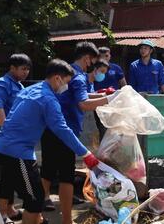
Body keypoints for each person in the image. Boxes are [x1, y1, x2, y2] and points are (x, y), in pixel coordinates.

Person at [0, 59, 100, 224]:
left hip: (9, 147)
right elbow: (62, 129)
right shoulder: (48, 99)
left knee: (31, 193)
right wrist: (85, 153)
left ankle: (37, 220)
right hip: (16, 152)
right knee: (35, 201)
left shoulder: (30, 90)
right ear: (57, 78)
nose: (66, 87)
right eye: (66, 82)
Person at [40, 42, 118, 224]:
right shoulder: (78, 76)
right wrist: (108, 99)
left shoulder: (71, 74)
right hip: (65, 131)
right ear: (87, 58)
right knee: (66, 176)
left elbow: (82, 97)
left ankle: (38, 212)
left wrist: (105, 95)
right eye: (92, 60)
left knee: (48, 171)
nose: (92, 64)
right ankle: (67, 220)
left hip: (51, 129)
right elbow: (83, 103)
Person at [0, 54, 31, 221]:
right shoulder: (1, 84)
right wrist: (10, 132)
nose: (26, 72)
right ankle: (3, 212)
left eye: (27, 69)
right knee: (10, 175)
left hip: (17, 139)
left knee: (9, 175)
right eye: (22, 69)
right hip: (7, 140)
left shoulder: (19, 86)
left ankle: (9, 209)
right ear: (12, 68)